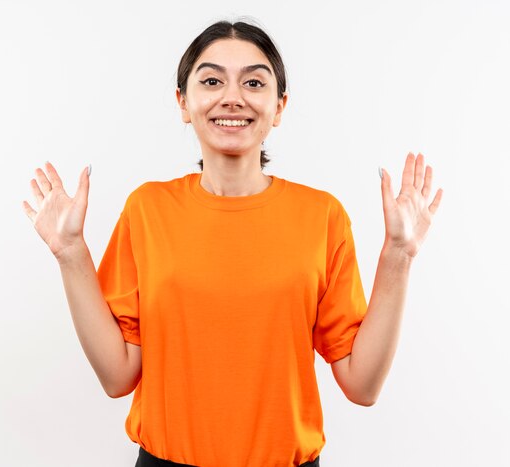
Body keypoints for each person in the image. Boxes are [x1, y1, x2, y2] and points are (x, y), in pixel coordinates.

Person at [22, 19, 442, 467]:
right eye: (211, 80)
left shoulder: (322, 217)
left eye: (254, 82)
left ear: (279, 107)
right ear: (184, 102)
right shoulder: (148, 209)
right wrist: (70, 254)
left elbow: (363, 385)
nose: (232, 97)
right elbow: (117, 374)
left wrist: (399, 255)